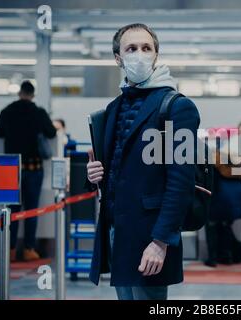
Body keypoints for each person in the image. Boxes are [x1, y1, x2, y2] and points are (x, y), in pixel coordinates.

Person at [86, 23, 200, 300]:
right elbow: (116, 171)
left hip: (151, 236)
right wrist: (95, 175)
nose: (139, 54)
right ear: (118, 58)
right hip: (117, 232)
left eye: (146, 48)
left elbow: (180, 181)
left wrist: (161, 242)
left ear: (156, 55)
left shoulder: (175, 107)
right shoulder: (113, 110)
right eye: (131, 48)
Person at [0, 80, 56, 261]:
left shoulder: (7, 111)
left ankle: (10, 249)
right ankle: (29, 249)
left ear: (20, 93)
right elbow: (51, 133)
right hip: (33, 168)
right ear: (33, 94)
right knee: (31, 210)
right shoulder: (38, 113)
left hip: (11, 169)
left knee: (11, 210)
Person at [204, 120, 241, 267]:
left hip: (219, 196)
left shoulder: (219, 158)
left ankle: (212, 258)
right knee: (225, 226)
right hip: (236, 196)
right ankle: (227, 256)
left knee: (211, 225)